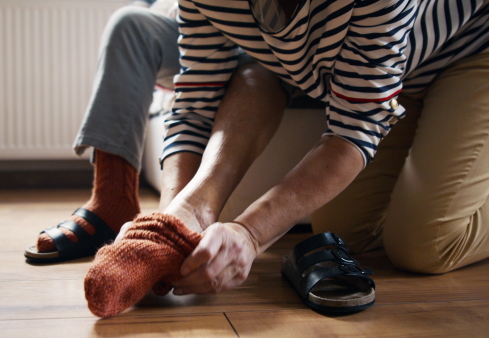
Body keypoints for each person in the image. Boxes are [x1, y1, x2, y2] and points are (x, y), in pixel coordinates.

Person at [83, 0, 489, 317]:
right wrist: (172, 224)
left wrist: (249, 234)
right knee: (347, 230)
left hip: (469, 52)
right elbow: (198, 99)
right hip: (396, 80)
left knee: (424, 246)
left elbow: (353, 130)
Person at [24, 0, 317, 262]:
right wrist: (168, 219)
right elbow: (192, 102)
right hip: (212, 35)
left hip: (284, 57)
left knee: (256, 74)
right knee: (129, 23)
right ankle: (112, 200)